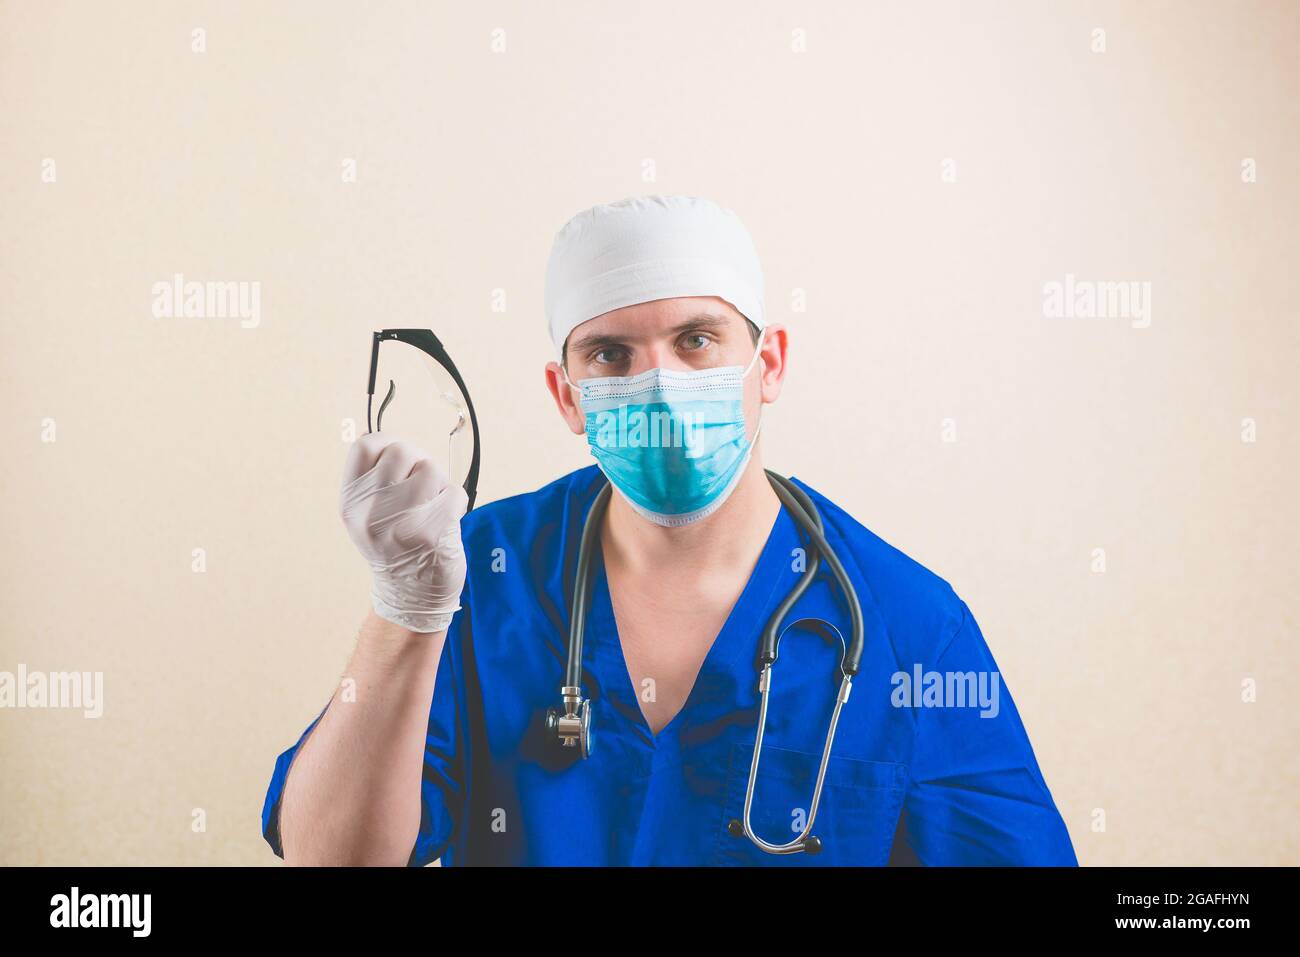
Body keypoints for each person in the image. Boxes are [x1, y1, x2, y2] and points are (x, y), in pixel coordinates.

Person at [261, 194, 1078, 866]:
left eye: (696, 339)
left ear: (772, 365)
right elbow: (330, 859)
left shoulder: (908, 624)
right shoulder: (486, 578)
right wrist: (404, 609)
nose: (660, 387)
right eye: (611, 355)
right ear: (566, 395)